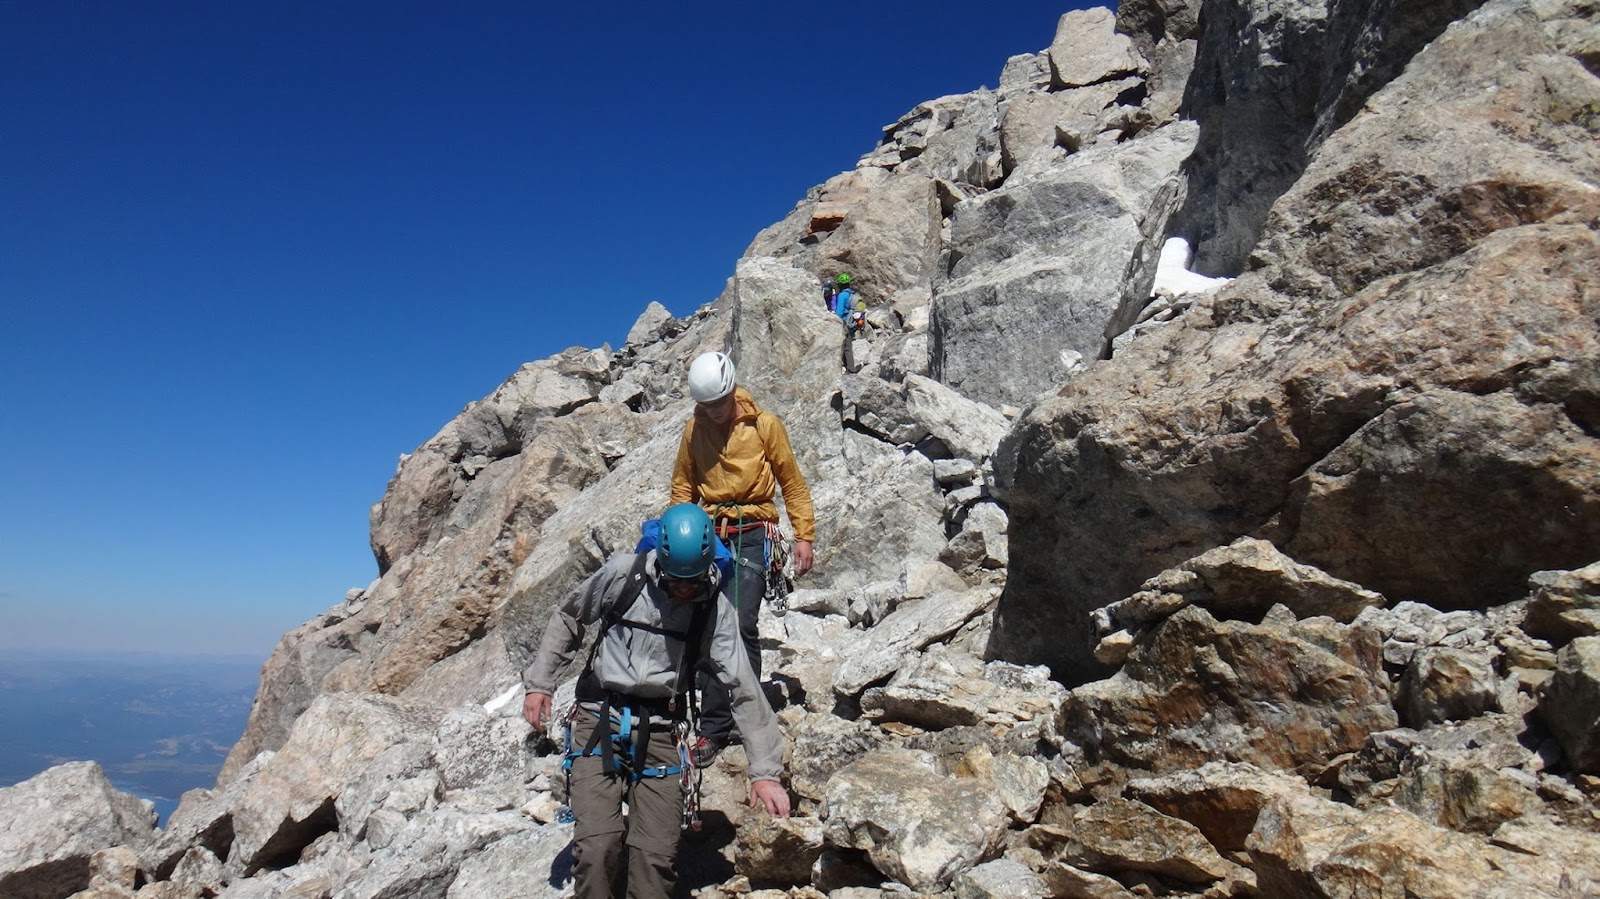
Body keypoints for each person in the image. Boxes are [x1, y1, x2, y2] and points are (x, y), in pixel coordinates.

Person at [522, 503, 790, 899]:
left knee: (655, 861)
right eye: (674, 580)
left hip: (663, 731)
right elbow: (569, 617)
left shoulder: (714, 606)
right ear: (659, 560)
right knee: (598, 847)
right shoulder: (623, 574)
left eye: (692, 581)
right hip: (600, 722)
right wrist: (540, 683)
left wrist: (764, 771)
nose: (683, 590)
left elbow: (742, 686)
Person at [672, 351, 815, 765]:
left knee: (740, 623)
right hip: (710, 535)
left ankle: (741, 719)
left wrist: (803, 535)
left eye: (718, 403)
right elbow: (683, 487)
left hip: (754, 531)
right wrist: (679, 533)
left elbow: (792, 481)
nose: (713, 412)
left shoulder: (764, 425)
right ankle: (720, 723)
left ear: (732, 389)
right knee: (707, 624)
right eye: (705, 405)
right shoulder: (693, 431)